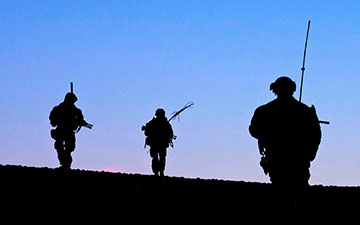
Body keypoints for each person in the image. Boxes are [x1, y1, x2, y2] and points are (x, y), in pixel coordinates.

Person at [249, 77, 321, 188]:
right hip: (295, 160)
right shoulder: (305, 111)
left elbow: (254, 130)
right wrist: (309, 154)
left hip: (279, 159)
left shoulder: (264, 110)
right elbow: (315, 135)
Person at [49, 92, 92, 169]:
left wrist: (82, 123)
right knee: (60, 147)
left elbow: (80, 120)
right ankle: (64, 164)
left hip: (69, 131)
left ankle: (66, 164)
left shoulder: (76, 110)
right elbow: (52, 118)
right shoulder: (59, 108)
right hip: (61, 130)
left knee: (69, 148)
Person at [142, 108, 174, 177]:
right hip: (157, 144)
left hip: (157, 144)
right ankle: (158, 172)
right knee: (159, 158)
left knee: (159, 158)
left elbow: (170, 134)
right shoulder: (162, 123)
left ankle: (159, 172)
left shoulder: (157, 123)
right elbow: (170, 133)